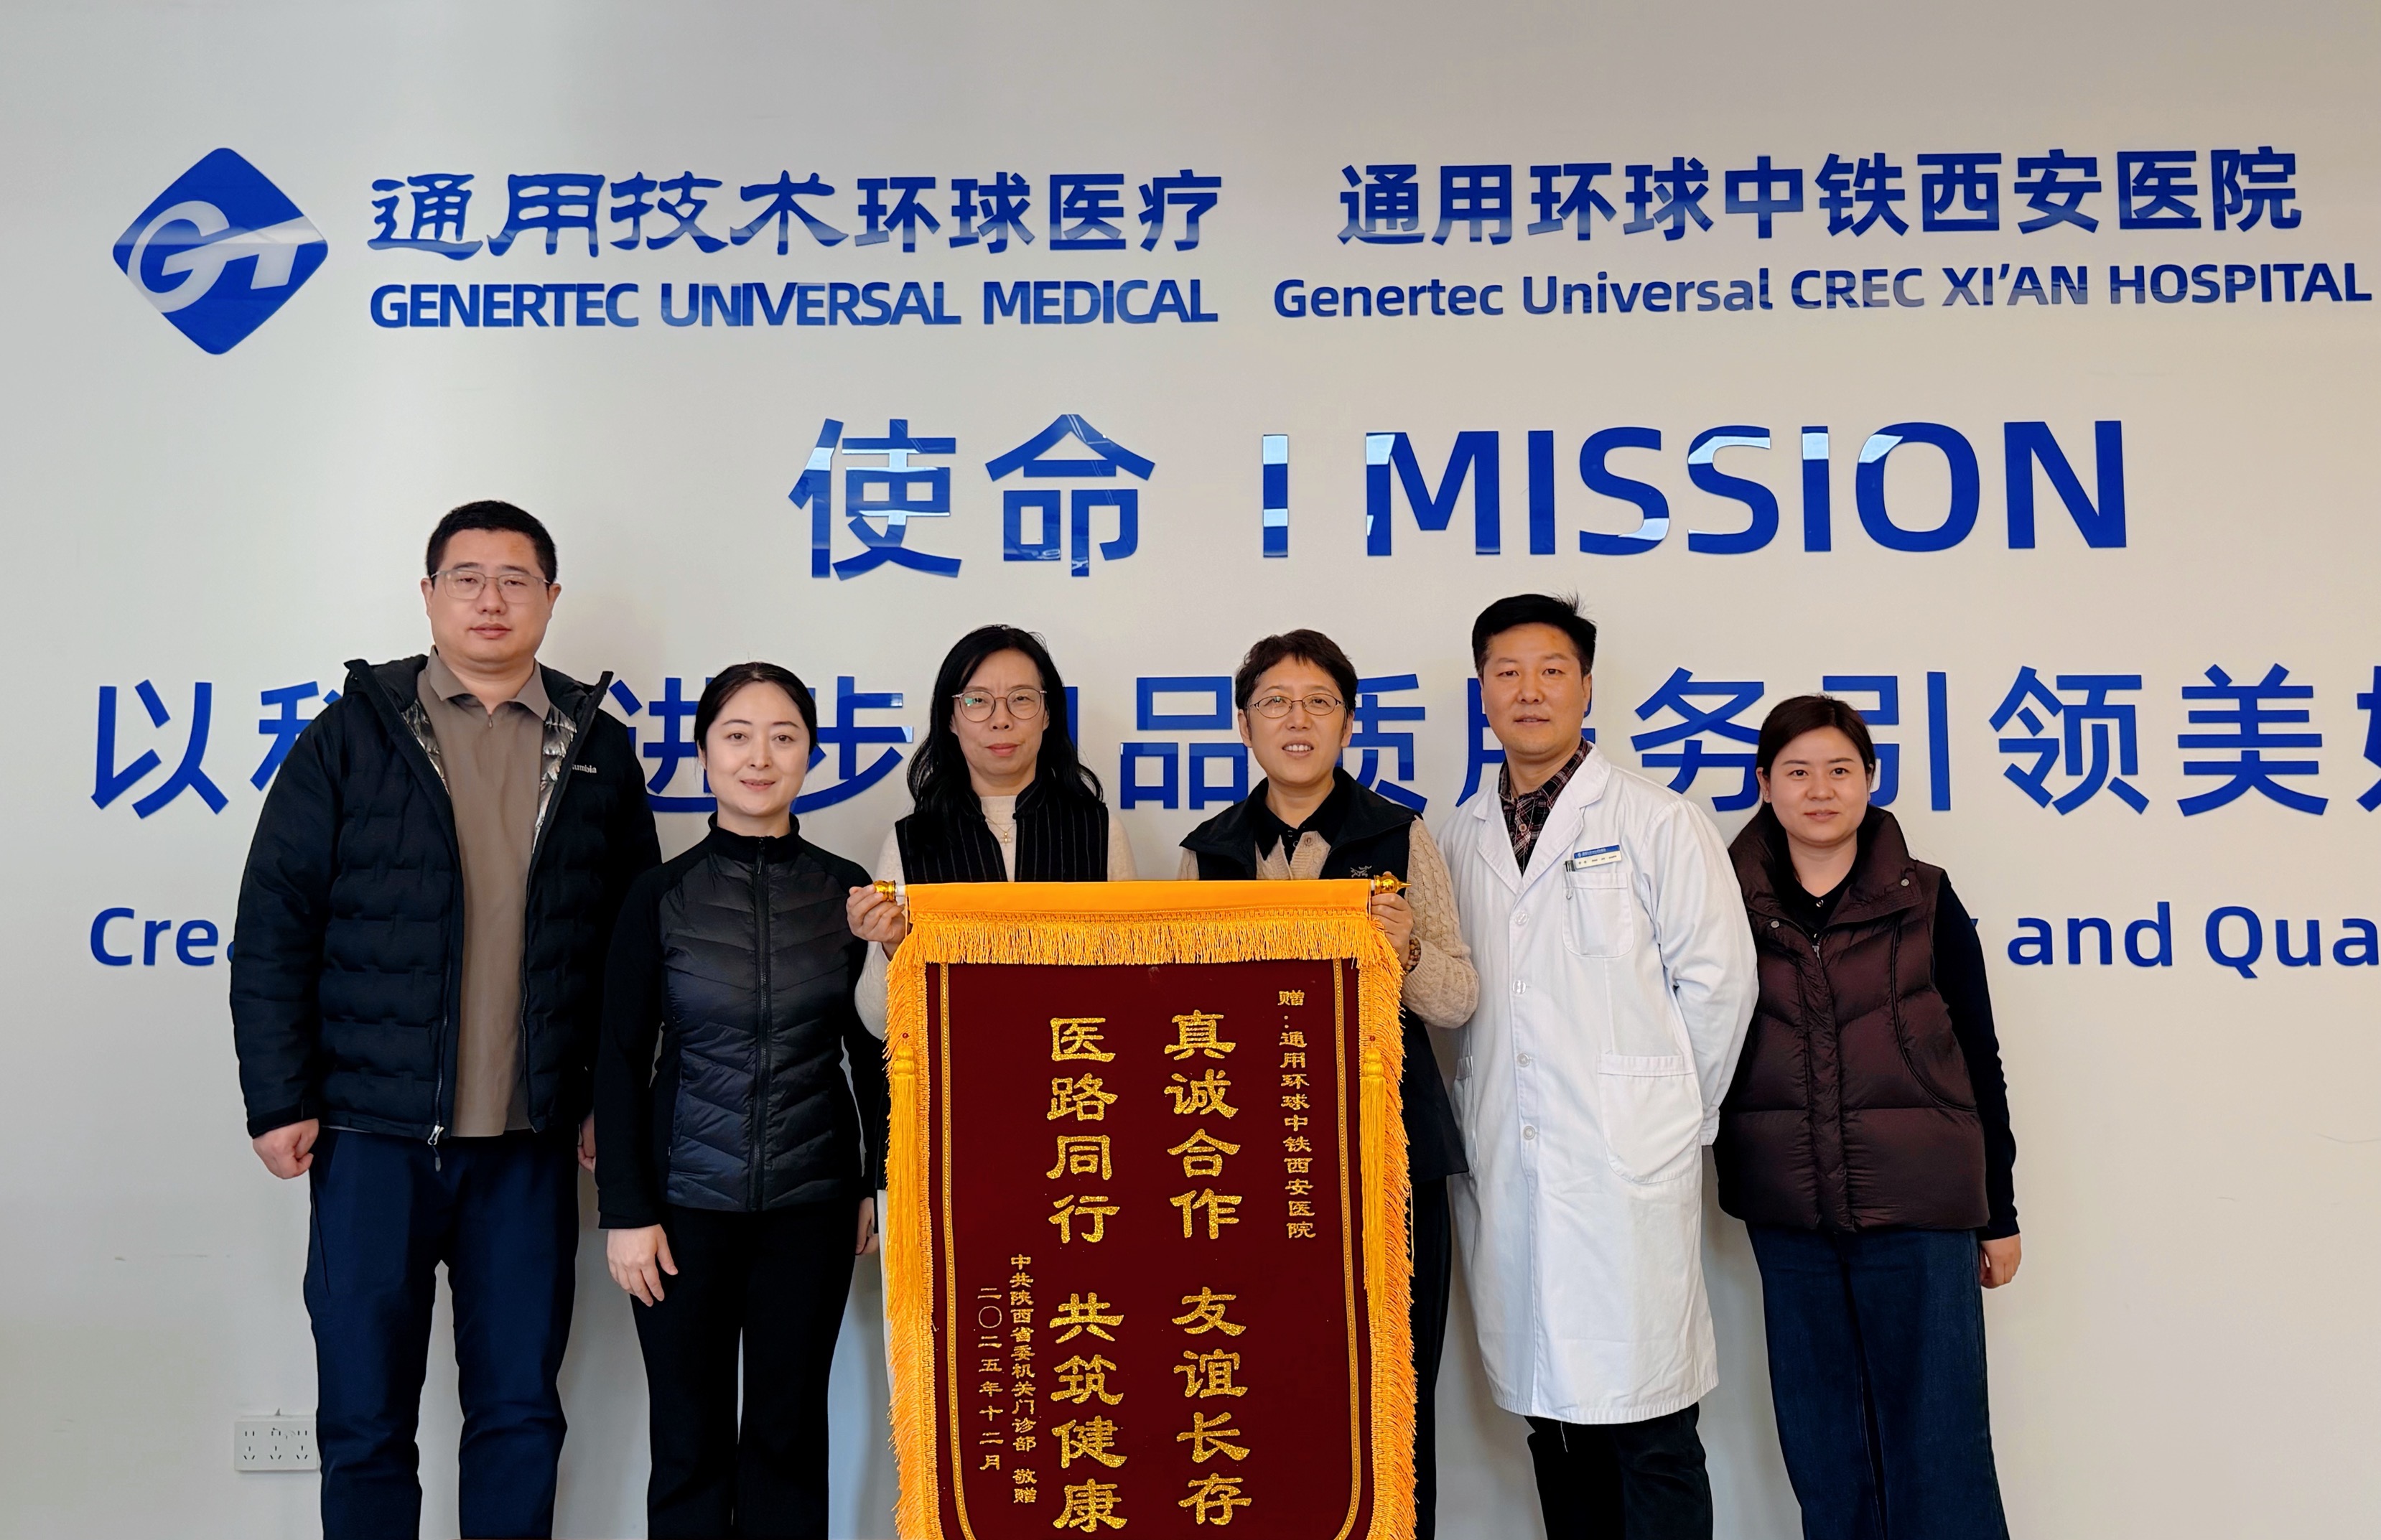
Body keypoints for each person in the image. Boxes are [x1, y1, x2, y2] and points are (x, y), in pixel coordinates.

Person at [230, 500, 659, 1540]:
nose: (491, 599)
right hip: (369, 1137)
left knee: (519, 1411)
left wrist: (609, 1105)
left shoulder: (598, 751)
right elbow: (276, 923)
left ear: (551, 599)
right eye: (467, 577)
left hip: (526, 1144)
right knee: (364, 1416)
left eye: (516, 579)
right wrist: (279, 1097)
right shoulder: (350, 738)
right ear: (428, 595)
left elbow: (632, 954)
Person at [1436, 593, 1756, 1540]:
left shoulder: (1658, 821)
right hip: (1513, 1165)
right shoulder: (1459, 837)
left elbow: (1720, 984)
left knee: (1649, 1430)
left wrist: (1666, 1118)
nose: (1529, 691)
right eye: (1506, 673)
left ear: (1585, 686)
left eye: (1551, 671)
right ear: (1482, 693)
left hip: (1628, 1173)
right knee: (1553, 1425)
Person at [1173, 629, 1478, 1540]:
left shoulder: (1397, 835)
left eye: (1318, 702)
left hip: (1390, 1158)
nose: (1296, 719)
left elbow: (1457, 1000)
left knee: (1393, 1389)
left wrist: (1406, 950)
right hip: (1245, 1165)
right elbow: (1181, 1012)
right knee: (1261, 1383)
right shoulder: (1208, 851)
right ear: (1244, 725)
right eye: (1274, 702)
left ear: (1348, 723)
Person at [595, 662, 886, 1540]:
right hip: (682, 1210)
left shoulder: (849, 894)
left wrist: (875, 1181)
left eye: (783, 737)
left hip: (811, 1205)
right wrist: (627, 1210)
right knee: (687, 1443)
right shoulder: (659, 894)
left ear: (811, 755)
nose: (760, 757)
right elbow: (619, 1059)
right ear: (704, 755)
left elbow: (873, 1050)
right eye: (737, 736)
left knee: (787, 1438)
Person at [1718, 695, 2021, 1540]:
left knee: (1940, 1449)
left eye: (1839, 771)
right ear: (1764, 785)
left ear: (1870, 780)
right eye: (1797, 772)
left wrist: (1998, 1212)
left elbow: (1979, 1054)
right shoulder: (1720, 901)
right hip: (1790, 1215)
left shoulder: (1925, 897)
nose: (1820, 791)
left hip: (1922, 1208)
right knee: (1825, 1452)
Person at [847, 625, 1135, 1021]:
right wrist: (893, 947)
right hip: (958, 1060)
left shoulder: (1099, 831)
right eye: (977, 700)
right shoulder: (912, 840)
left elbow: (1132, 989)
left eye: (1022, 699)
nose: (1001, 720)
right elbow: (879, 1024)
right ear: (950, 719)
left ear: (1048, 714)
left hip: (1076, 1053)